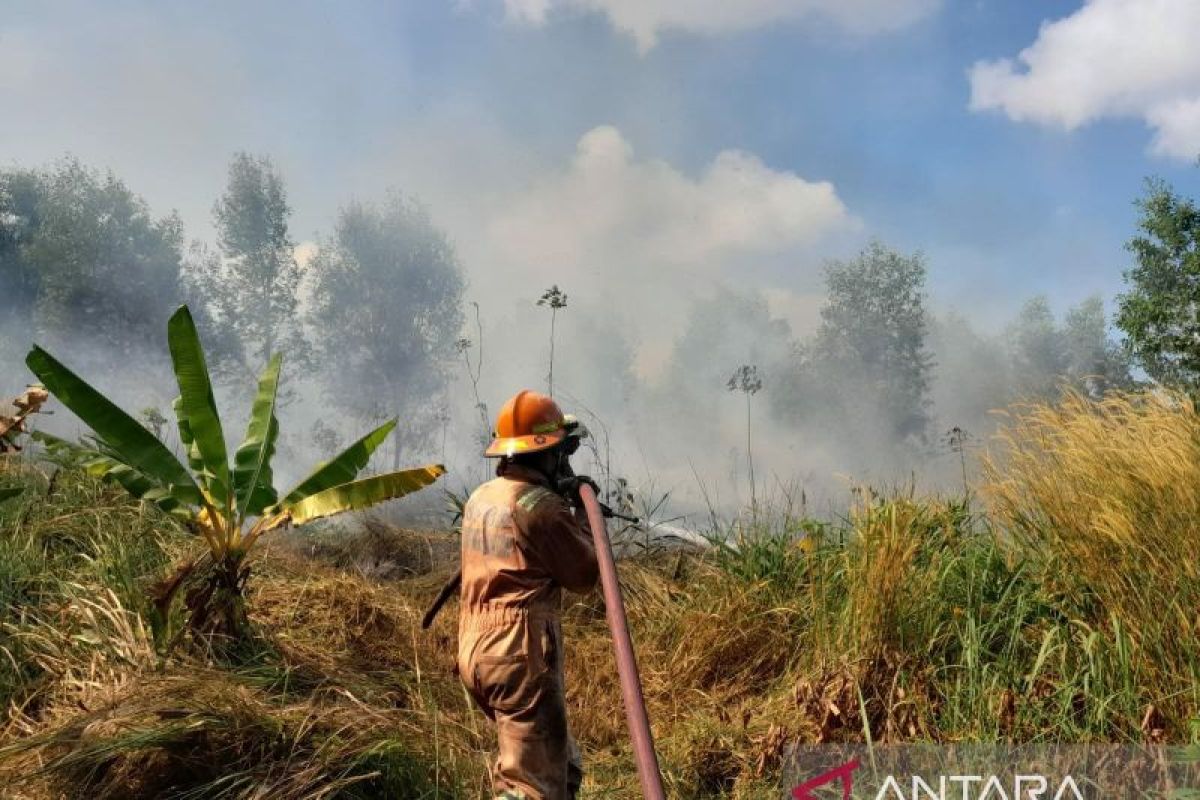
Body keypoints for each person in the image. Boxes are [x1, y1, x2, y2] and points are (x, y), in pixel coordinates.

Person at [457, 389, 600, 800]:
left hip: (475, 650)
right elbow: (584, 575)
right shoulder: (541, 507)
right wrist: (579, 512)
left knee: (556, 764)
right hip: (519, 653)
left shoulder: (481, 498)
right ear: (549, 455)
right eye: (561, 453)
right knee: (532, 786)